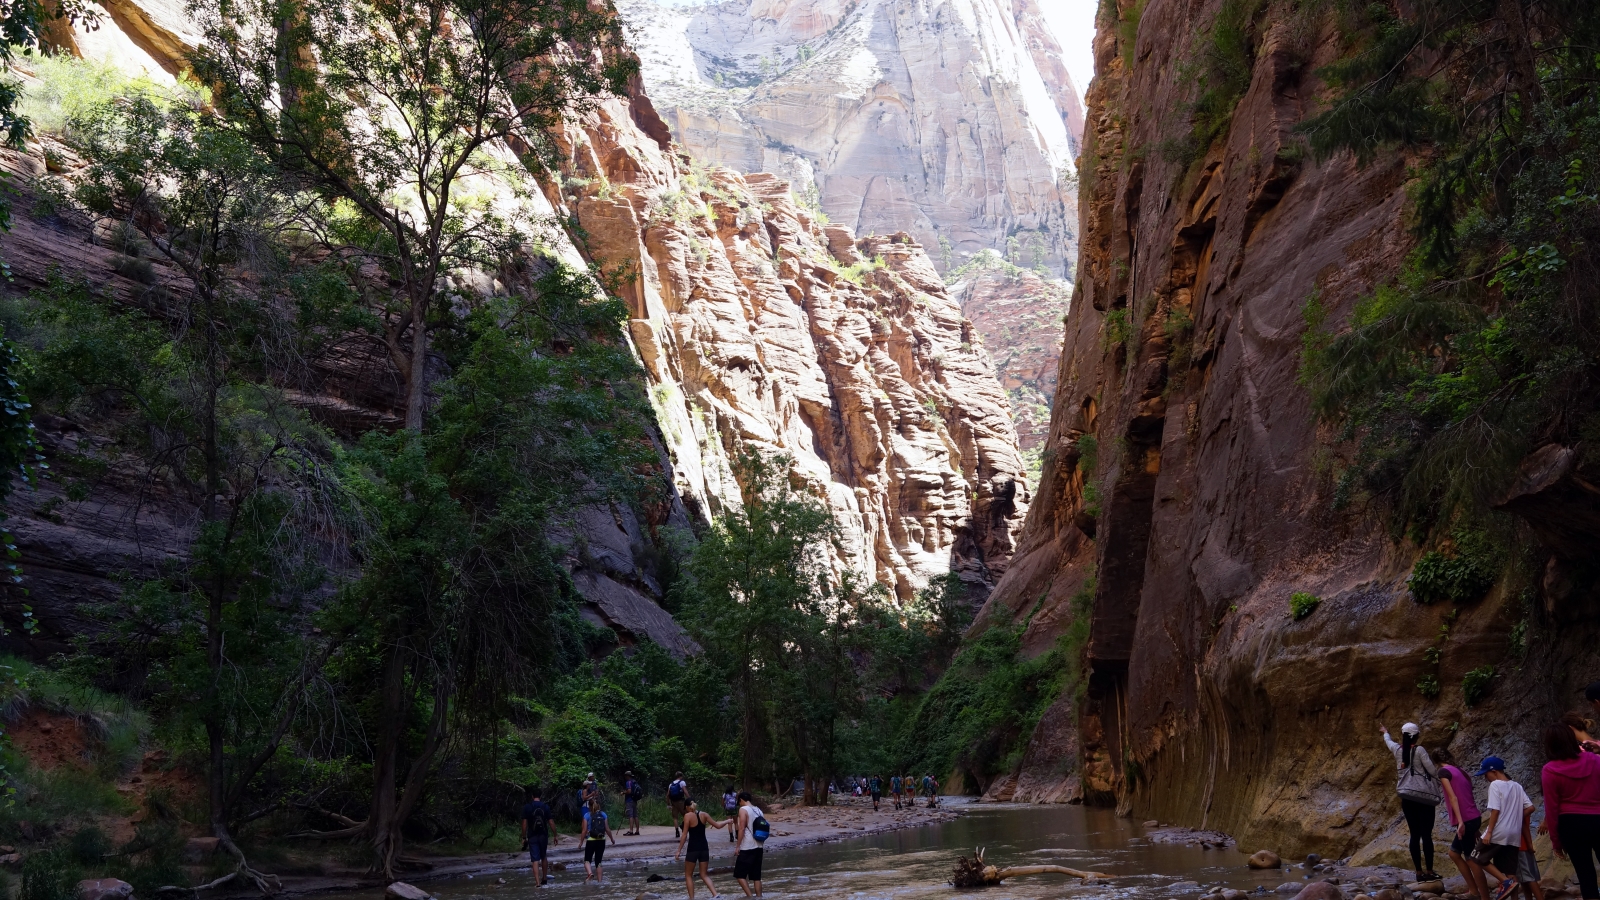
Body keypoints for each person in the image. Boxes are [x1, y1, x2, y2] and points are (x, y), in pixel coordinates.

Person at [1542, 721, 1600, 900]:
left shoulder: (1549, 770)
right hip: (1598, 818)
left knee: (1585, 874)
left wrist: (1556, 842)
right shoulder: (1595, 760)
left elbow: (1551, 809)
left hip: (1571, 825)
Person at [1383, 722, 1443, 881]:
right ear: (1417, 735)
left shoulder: (1397, 750)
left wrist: (1385, 732)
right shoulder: (1419, 750)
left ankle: (1418, 873)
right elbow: (1431, 770)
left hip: (1407, 798)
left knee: (1414, 835)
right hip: (1424, 798)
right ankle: (1430, 872)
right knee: (1427, 836)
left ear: (1402, 735)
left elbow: (1388, 742)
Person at [1475, 755, 1534, 900]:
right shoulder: (1517, 786)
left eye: (1486, 774)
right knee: (1510, 870)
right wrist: (1514, 816)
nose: (1485, 778)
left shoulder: (1495, 785)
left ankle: (1505, 882)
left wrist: (1489, 832)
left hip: (1499, 831)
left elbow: (1495, 810)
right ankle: (1511, 888)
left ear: (1494, 771)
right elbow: (1531, 807)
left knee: (1476, 857)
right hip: (1514, 834)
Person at [1437, 749, 1491, 900]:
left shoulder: (1443, 772)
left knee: (1471, 858)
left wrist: (1460, 822)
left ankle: (1484, 896)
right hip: (1473, 817)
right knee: (1454, 853)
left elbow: (1453, 797)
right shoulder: (1461, 771)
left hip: (1466, 820)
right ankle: (1474, 891)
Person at [675, 798, 727, 899]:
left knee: (688, 875)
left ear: (686, 807)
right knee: (704, 874)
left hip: (693, 849)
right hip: (704, 848)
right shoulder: (704, 814)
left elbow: (684, 835)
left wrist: (678, 851)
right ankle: (715, 895)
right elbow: (718, 826)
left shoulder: (687, 816)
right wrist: (728, 821)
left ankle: (691, 898)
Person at [519, 787, 559, 887]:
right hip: (543, 835)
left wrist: (524, 837)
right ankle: (544, 878)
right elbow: (551, 822)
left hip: (532, 836)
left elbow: (524, 824)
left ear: (532, 796)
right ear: (540, 796)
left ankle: (537, 883)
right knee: (543, 856)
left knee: (535, 859)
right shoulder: (545, 806)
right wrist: (555, 835)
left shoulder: (527, 807)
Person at [734, 790, 766, 897]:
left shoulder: (743, 809)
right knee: (756, 876)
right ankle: (759, 897)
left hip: (747, 846)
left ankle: (750, 897)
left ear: (741, 800)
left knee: (739, 874)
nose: (739, 804)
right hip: (759, 845)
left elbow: (742, 828)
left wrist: (738, 846)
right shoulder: (759, 810)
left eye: (739, 802)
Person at [579, 799, 616, 884]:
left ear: (589, 806)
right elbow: (607, 829)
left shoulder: (587, 815)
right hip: (601, 840)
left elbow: (584, 830)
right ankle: (599, 882)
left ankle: (590, 873)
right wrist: (612, 839)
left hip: (591, 840)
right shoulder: (603, 815)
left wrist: (581, 842)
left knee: (587, 860)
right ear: (598, 806)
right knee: (598, 861)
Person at [669, 771, 689, 838]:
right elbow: (685, 791)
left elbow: (667, 795)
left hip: (673, 802)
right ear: (681, 776)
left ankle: (677, 832)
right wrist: (690, 798)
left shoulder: (671, 784)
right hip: (681, 801)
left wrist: (668, 803)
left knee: (675, 817)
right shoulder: (682, 782)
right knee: (685, 815)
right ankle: (683, 826)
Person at [622, 771, 643, 836]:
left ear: (627, 776)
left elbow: (629, 791)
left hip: (629, 800)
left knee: (630, 815)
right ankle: (637, 830)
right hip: (634, 800)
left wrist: (623, 793)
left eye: (625, 776)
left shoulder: (628, 782)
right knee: (635, 815)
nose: (625, 777)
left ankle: (631, 830)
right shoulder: (634, 782)